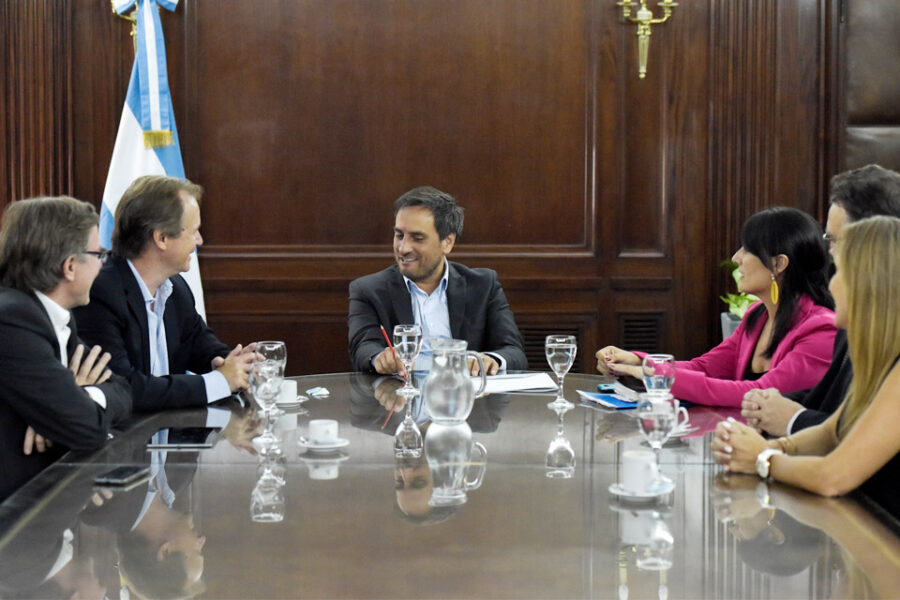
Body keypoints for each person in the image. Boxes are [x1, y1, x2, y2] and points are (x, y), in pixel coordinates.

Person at [711, 216, 900, 519]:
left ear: (870, 286)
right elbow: (830, 431)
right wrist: (775, 446)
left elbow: (832, 477)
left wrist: (762, 459)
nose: (832, 283)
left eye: (842, 272)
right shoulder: (880, 358)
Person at [595, 207, 836, 407]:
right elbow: (706, 368)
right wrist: (638, 362)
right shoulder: (758, 316)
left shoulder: (822, 330)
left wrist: (659, 375)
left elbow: (758, 393)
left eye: (747, 249)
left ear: (778, 263)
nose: (735, 258)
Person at [73, 175, 255, 412]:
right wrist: (219, 382)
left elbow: (199, 343)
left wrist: (234, 363)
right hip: (121, 442)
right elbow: (123, 386)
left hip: (169, 439)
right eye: (194, 231)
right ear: (161, 238)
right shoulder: (100, 292)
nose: (199, 240)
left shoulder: (175, 287)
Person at [742, 164, 900, 435]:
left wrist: (790, 423)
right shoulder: (855, 316)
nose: (831, 252)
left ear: (875, 239)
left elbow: (857, 435)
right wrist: (771, 406)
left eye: (836, 240)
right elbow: (828, 400)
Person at [0, 197, 132, 502]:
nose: (103, 264)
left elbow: (123, 389)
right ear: (70, 266)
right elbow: (86, 428)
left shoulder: (55, 314)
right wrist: (67, 409)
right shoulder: (13, 320)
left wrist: (75, 399)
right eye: (98, 255)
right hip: (13, 520)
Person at [348, 186, 527, 376]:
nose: (403, 248)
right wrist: (379, 358)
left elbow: (513, 351)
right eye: (399, 235)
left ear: (447, 242)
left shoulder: (483, 285)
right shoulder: (368, 289)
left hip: (466, 398)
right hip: (399, 399)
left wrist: (489, 360)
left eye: (417, 238)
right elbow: (363, 347)